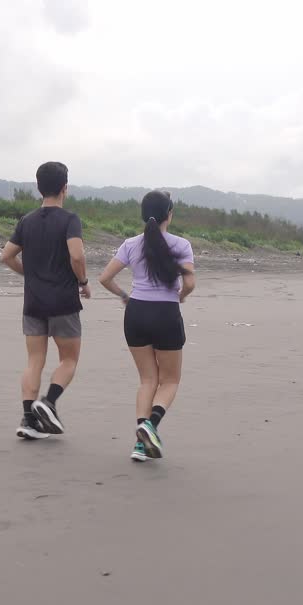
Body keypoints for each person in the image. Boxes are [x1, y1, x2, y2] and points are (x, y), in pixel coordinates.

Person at [98, 190, 195, 462]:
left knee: (147, 380)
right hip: (166, 313)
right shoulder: (181, 245)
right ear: (169, 215)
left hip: (136, 313)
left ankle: (141, 445)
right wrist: (181, 296)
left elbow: (104, 278)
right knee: (170, 380)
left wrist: (124, 296)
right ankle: (150, 426)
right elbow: (189, 283)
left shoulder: (130, 244)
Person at [1, 161, 90, 440]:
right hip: (63, 301)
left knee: (34, 361)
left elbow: (6, 255)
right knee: (69, 360)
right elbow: (77, 255)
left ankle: (28, 420)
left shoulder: (26, 221)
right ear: (65, 188)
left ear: (39, 188)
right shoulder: (69, 220)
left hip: (34, 303)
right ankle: (48, 402)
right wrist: (83, 282)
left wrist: (29, 274)